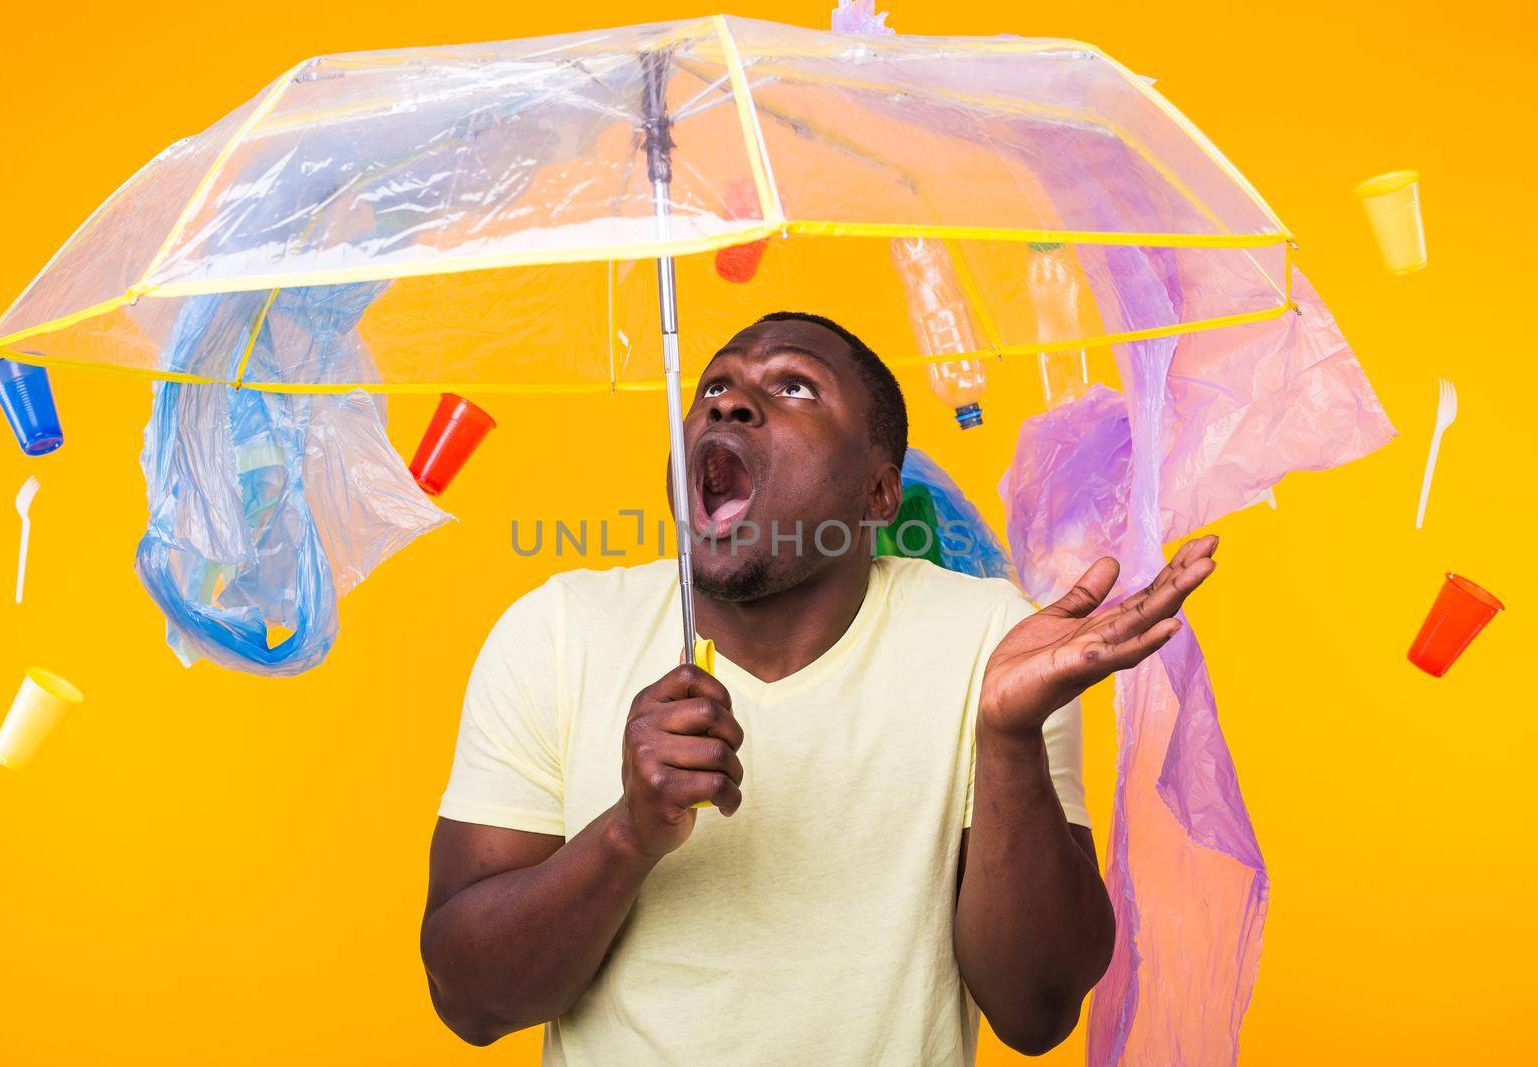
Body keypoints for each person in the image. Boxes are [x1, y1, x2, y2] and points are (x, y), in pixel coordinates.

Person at [421, 312, 1218, 1065]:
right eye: (712, 388)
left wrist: (1007, 739)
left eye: (794, 385)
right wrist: (629, 832)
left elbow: (1037, 1010)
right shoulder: (558, 631)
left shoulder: (991, 643)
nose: (728, 399)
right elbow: (469, 998)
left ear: (877, 493)